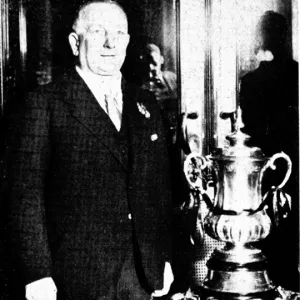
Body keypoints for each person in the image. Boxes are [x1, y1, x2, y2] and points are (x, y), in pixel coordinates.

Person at [5, 1, 174, 299]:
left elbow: (159, 189)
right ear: (75, 42)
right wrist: (37, 273)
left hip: (142, 276)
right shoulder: (44, 104)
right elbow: (24, 196)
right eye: (98, 32)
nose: (110, 43)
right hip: (74, 277)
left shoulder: (145, 103)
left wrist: (164, 257)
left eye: (119, 34)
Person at [240, 11, 299, 291]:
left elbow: (250, 131)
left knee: (268, 231)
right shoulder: (296, 74)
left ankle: (270, 284)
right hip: (295, 163)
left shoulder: (251, 81)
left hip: (266, 169)